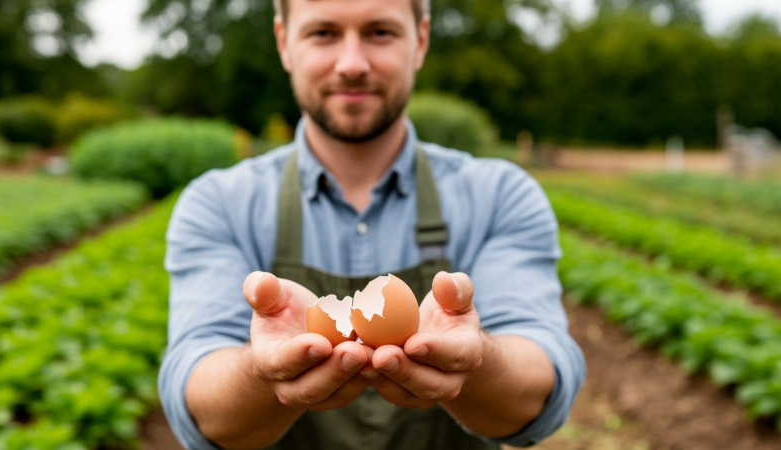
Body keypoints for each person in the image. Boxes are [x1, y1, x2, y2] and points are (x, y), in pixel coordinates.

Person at [159, 0, 586, 448]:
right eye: (323, 33)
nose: (352, 64)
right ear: (285, 43)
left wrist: (476, 361)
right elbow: (198, 403)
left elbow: (542, 387)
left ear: (419, 41)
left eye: (379, 32)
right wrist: (262, 371)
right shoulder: (218, 204)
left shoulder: (499, 195)